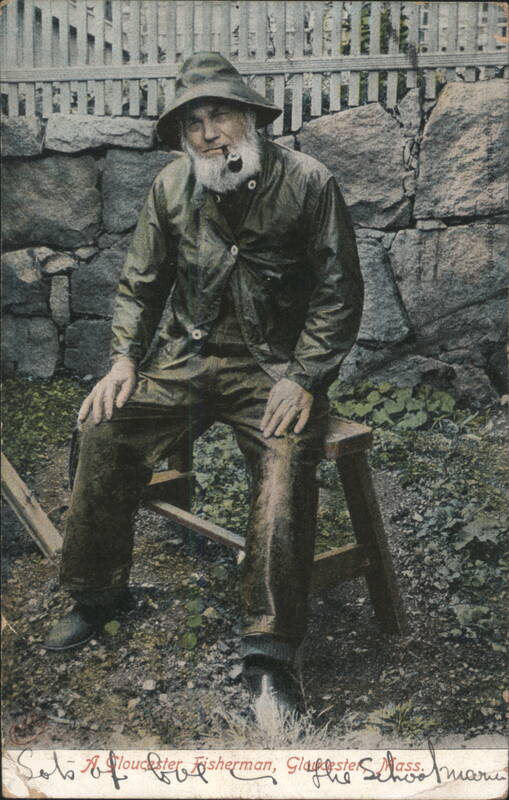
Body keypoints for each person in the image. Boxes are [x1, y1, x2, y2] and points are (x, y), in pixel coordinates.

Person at [44, 52, 364, 719]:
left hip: (272, 370)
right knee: (103, 426)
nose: (208, 132)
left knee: (283, 470)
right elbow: (139, 282)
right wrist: (125, 359)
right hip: (181, 363)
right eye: (193, 122)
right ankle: (97, 595)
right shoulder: (170, 187)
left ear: (250, 117)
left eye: (220, 113)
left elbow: (338, 292)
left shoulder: (308, 183)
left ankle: (271, 654)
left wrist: (304, 377)